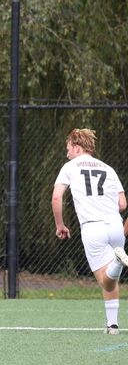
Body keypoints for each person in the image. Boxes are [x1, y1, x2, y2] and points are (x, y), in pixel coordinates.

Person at [52, 127, 128, 334]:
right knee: (112, 279)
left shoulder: (70, 167)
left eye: (68, 148)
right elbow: (122, 204)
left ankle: (117, 262)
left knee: (106, 280)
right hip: (115, 225)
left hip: (93, 228)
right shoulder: (108, 169)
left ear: (77, 147)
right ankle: (112, 325)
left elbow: (57, 197)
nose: (66, 153)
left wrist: (60, 225)